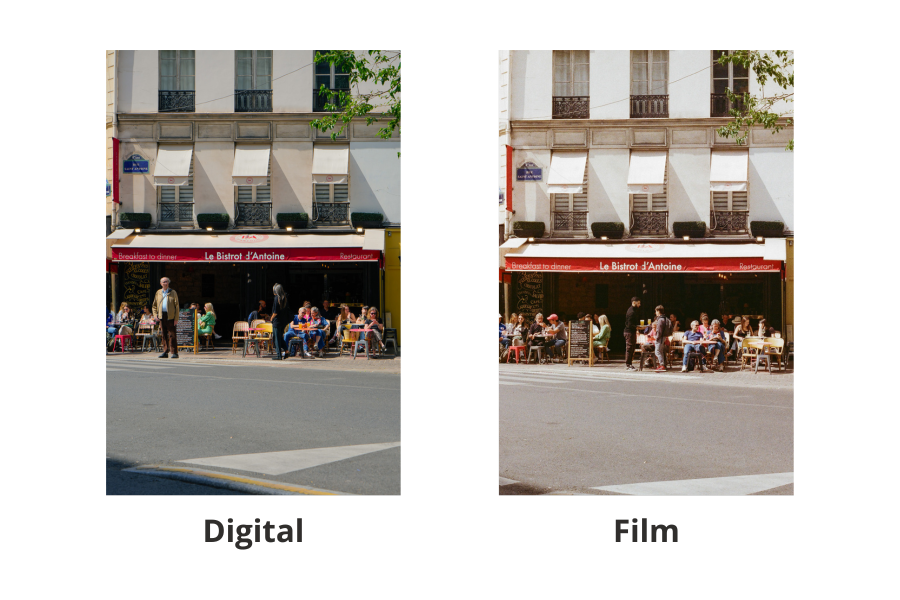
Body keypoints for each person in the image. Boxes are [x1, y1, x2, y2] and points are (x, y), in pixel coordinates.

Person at [151, 276, 180, 358]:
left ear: (168, 283)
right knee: (163, 334)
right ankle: (165, 351)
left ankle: (174, 352)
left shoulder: (173, 292)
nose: (165, 283)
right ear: (161, 283)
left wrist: (176, 318)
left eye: (166, 281)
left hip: (170, 315)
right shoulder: (158, 293)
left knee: (172, 334)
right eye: (163, 282)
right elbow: (154, 306)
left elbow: (177, 306)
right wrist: (155, 315)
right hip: (161, 315)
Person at [270, 283, 291, 360]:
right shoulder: (284, 298)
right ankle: (286, 350)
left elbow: (275, 312)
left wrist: (271, 318)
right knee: (280, 337)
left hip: (277, 321)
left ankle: (279, 355)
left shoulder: (277, 298)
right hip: (283, 321)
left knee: (276, 338)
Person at [624, 297, 641, 371]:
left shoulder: (633, 310)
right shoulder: (631, 312)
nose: (639, 305)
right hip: (629, 332)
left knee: (632, 348)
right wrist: (638, 327)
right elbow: (629, 325)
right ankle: (628, 365)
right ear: (634, 302)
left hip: (632, 332)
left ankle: (630, 364)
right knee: (629, 348)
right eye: (638, 303)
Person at [651, 305, 669, 372]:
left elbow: (659, 330)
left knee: (657, 351)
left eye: (656, 311)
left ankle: (662, 365)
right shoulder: (664, 318)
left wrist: (657, 337)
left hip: (660, 338)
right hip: (662, 337)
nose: (655, 313)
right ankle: (662, 365)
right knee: (660, 351)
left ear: (658, 311)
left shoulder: (660, 319)